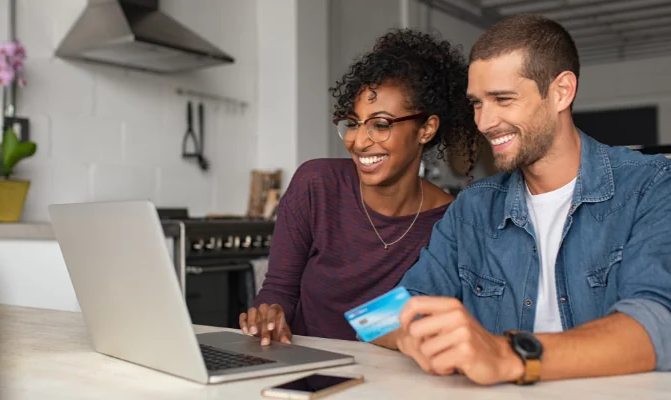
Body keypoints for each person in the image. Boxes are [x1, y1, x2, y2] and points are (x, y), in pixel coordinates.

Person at [375, 14, 671, 385]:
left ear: (561, 91)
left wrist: (506, 354)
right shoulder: (472, 209)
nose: (483, 122)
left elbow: (657, 324)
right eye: (477, 103)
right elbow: (377, 317)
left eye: (502, 99)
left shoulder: (652, 185)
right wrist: (415, 335)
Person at [239, 29, 482, 345]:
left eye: (380, 125)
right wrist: (268, 315)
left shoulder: (450, 222)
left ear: (426, 129)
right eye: (353, 123)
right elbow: (278, 289)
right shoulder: (317, 185)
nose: (359, 141)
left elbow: (411, 320)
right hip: (302, 375)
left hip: (387, 386)